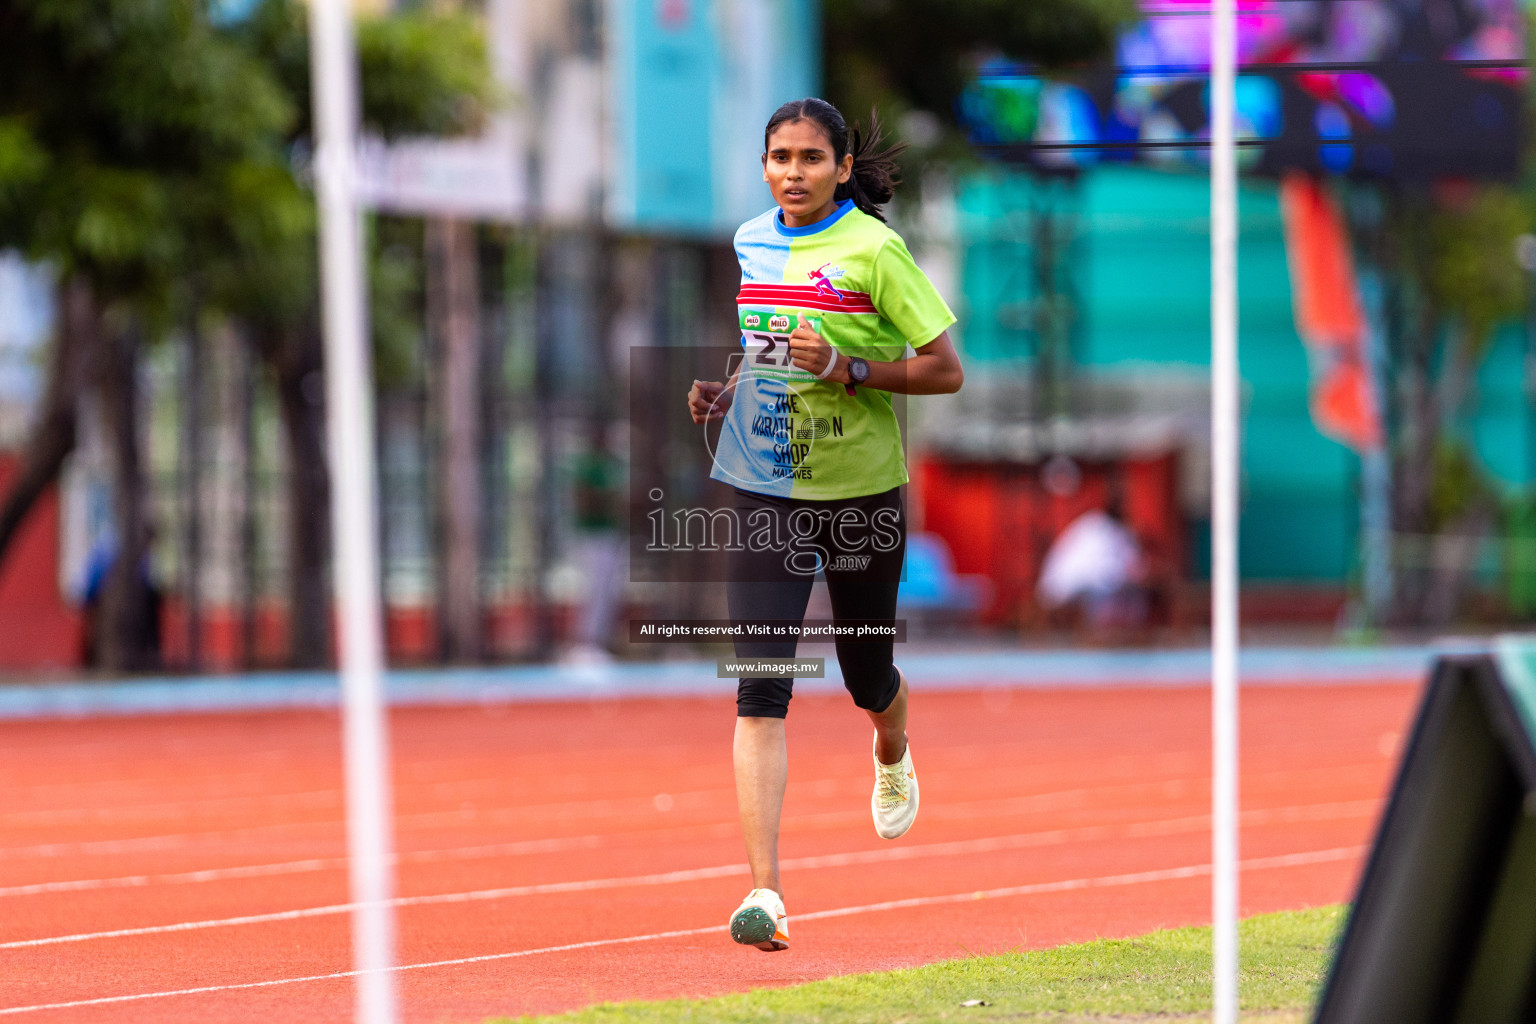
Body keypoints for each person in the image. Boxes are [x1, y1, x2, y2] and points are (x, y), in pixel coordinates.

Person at [685, 98, 964, 952]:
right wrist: (729, 391)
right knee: (761, 685)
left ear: (842, 167)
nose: (792, 172)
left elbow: (945, 372)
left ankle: (891, 745)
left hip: (860, 491)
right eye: (779, 157)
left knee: (863, 672)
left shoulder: (877, 251)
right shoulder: (750, 241)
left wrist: (849, 367)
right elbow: (767, 347)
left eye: (810, 158)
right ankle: (765, 892)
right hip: (765, 480)